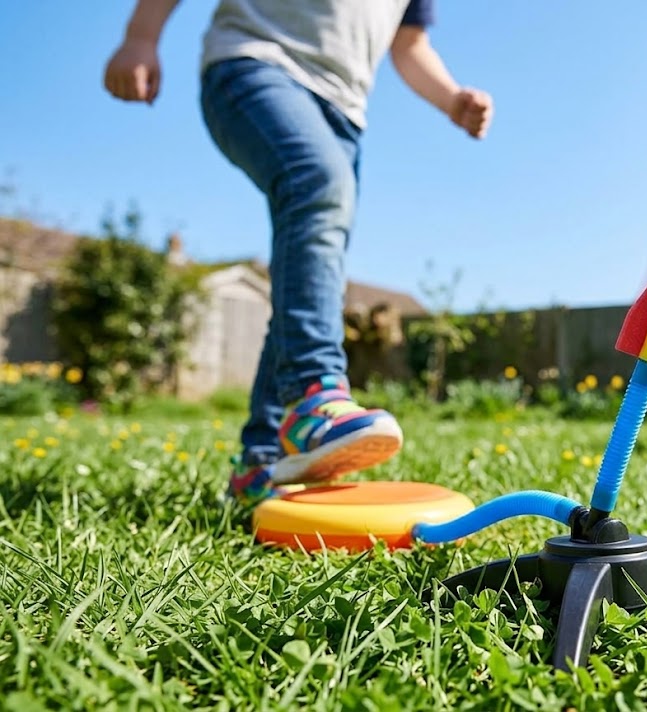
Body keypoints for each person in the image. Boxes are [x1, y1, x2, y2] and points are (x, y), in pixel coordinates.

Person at [103, 1, 493, 506]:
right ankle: (315, 393)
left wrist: (450, 99)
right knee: (317, 183)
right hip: (254, 64)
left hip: (344, 114)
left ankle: (261, 461)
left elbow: (409, 44)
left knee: (311, 274)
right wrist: (141, 36)